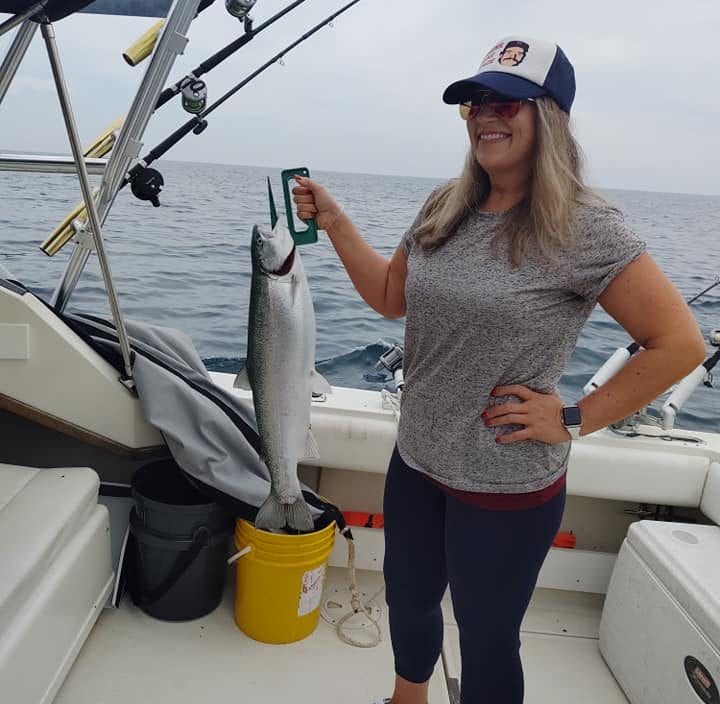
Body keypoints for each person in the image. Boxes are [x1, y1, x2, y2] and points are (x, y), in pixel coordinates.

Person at [292, 35, 706, 704]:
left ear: (551, 115)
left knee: (487, 636)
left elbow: (677, 344)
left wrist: (574, 416)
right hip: (418, 460)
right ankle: (408, 696)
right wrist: (336, 222)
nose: (487, 113)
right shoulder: (442, 207)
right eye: (476, 101)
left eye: (509, 102)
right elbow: (391, 299)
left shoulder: (586, 228)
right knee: (409, 599)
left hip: (506, 485)